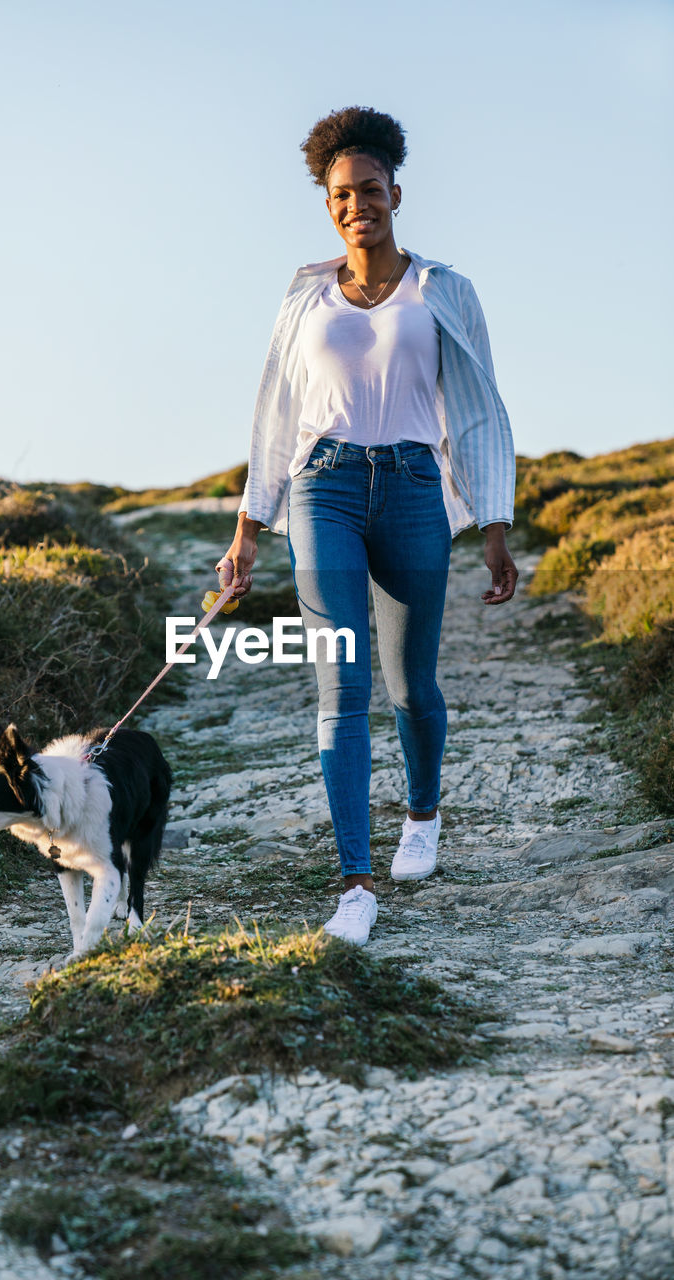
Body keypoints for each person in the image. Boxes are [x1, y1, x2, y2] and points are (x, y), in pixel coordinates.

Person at [216, 106, 517, 946]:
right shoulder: (305, 297)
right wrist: (248, 528)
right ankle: (354, 882)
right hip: (326, 489)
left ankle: (422, 814)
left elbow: (481, 412)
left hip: (418, 488)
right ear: (327, 203)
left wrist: (494, 521)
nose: (359, 205)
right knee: (341, 685)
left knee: (411, 684)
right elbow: (275, 416)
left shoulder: (443, 291)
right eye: (343, 194)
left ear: (396, 192)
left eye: (372, 190)